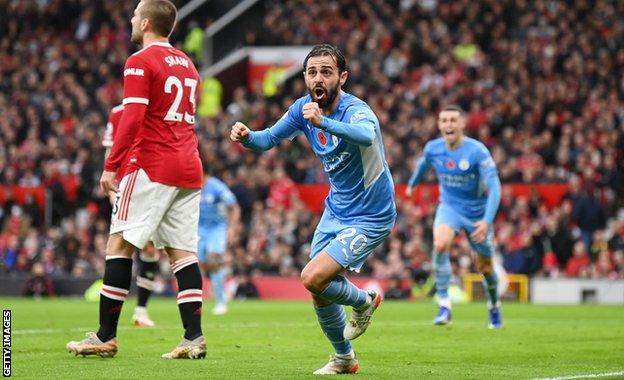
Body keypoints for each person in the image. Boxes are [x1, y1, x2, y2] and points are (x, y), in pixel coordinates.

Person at [230, 44, 396, 375]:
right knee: (318, 290)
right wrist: (247, 136)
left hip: (372, 214)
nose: (318, 78)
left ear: (342, 77)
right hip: (336, 210)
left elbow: (366, 136)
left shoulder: (355, 110)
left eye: (326, 72)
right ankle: (344, 358)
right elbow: (267, 141)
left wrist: (324, 123)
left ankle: (364, 301)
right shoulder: (302, 109)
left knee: (312, 276)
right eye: (311, 72)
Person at [67, 0, 206, 359]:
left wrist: (111, 166)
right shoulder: (188, 65)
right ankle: (193, 337)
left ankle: (104, 336)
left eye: (133, 15)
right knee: (183, 255)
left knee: (119, 246)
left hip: (152, 166)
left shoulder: (139, 61)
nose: (130, 19)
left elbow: (132, 118)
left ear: (145, 23)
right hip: (189, 167)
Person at [405, 105, 503, 329]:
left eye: (452, 120)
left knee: (485, 268)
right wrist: (412, 185)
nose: (448, 124)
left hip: (478, 214)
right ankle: (444, 304)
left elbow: (495, 188)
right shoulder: (433, 148)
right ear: (439, 125)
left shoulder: (477, 152)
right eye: (444, 120)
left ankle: (494, 304)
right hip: (449, 207)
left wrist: (486, 221)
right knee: (440, 245)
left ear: (462, 124)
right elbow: (423, 165)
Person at [102, 104, 160, 327]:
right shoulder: (117, 112)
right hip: (124, 186)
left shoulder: (155, 109)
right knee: (119, 246)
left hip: (150, 183)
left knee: (149, 247)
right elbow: (110, 151)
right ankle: (109, 321)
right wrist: (111, 186)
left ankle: (141, 310)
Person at [198, 166, 240, 315]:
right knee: (202, 265)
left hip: (216, 229)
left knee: (214, 261)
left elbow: (233, 207)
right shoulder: (192, 184)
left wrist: (232, 228)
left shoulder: (216, 186)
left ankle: (221, 301)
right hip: (198, 229)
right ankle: (213, 287)